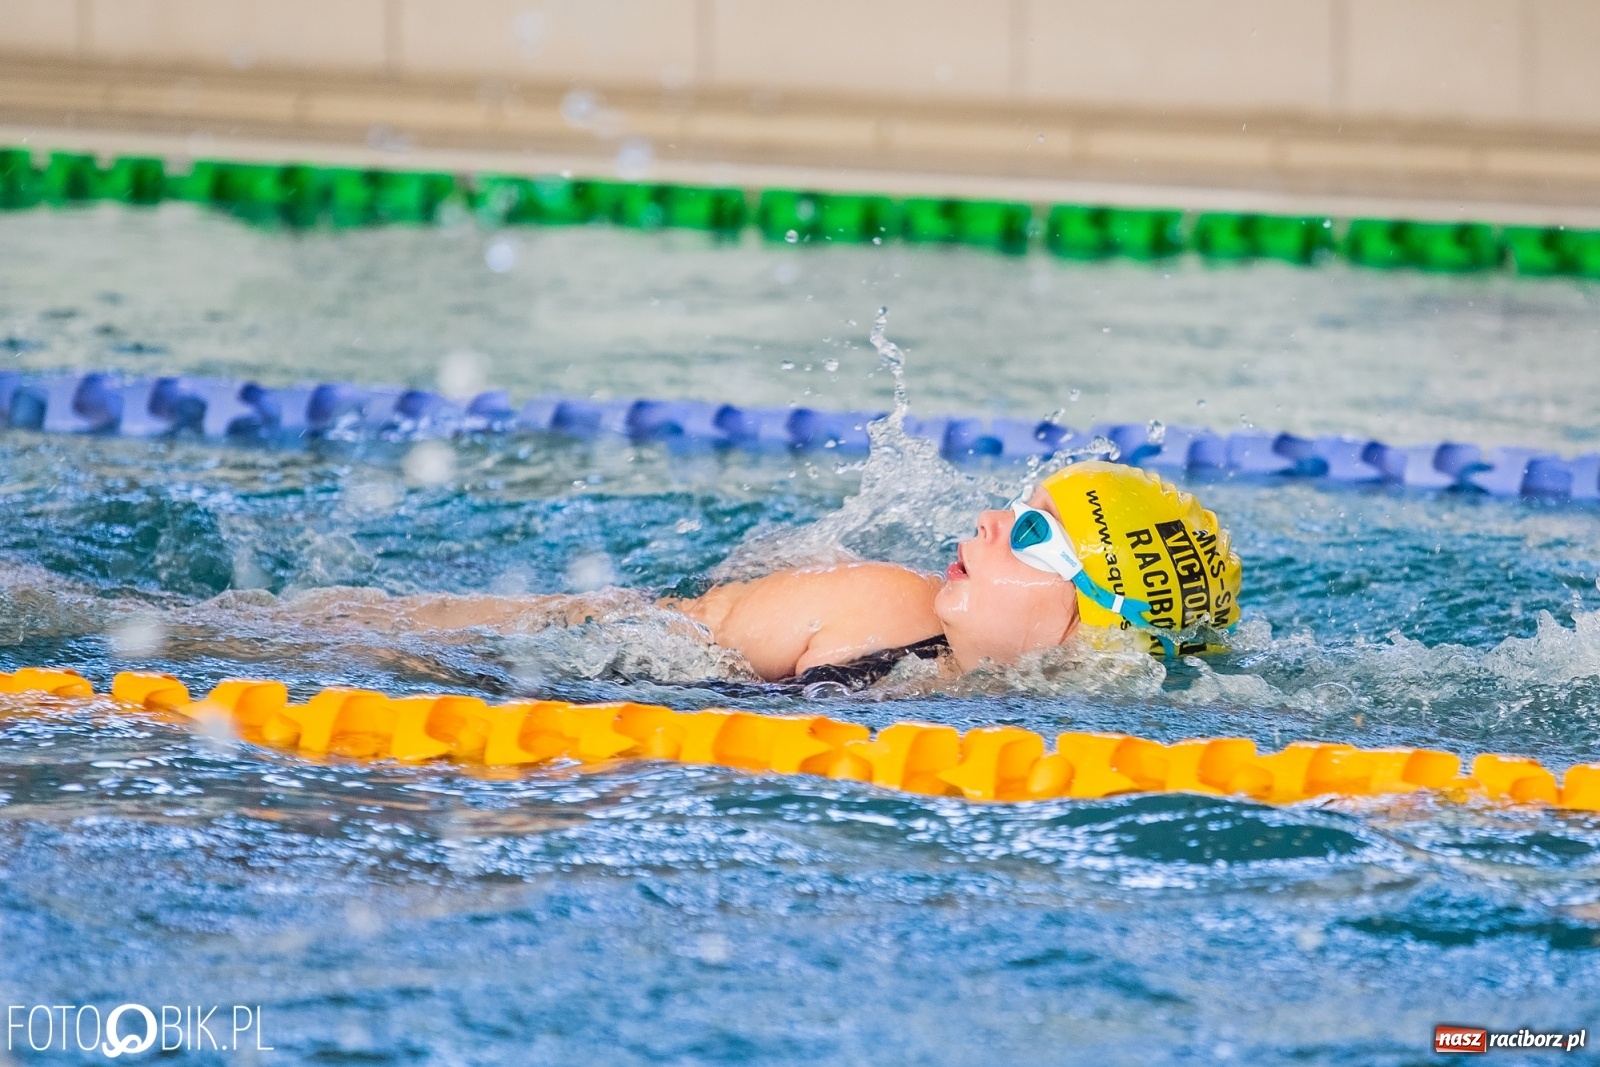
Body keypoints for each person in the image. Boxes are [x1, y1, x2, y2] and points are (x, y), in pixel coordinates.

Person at [663, 460, 1243, 685]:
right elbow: (628, 633)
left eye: (1032, 532)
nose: (989, 519)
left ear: (1093, 625)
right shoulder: (873, 606)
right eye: (1016, 507)